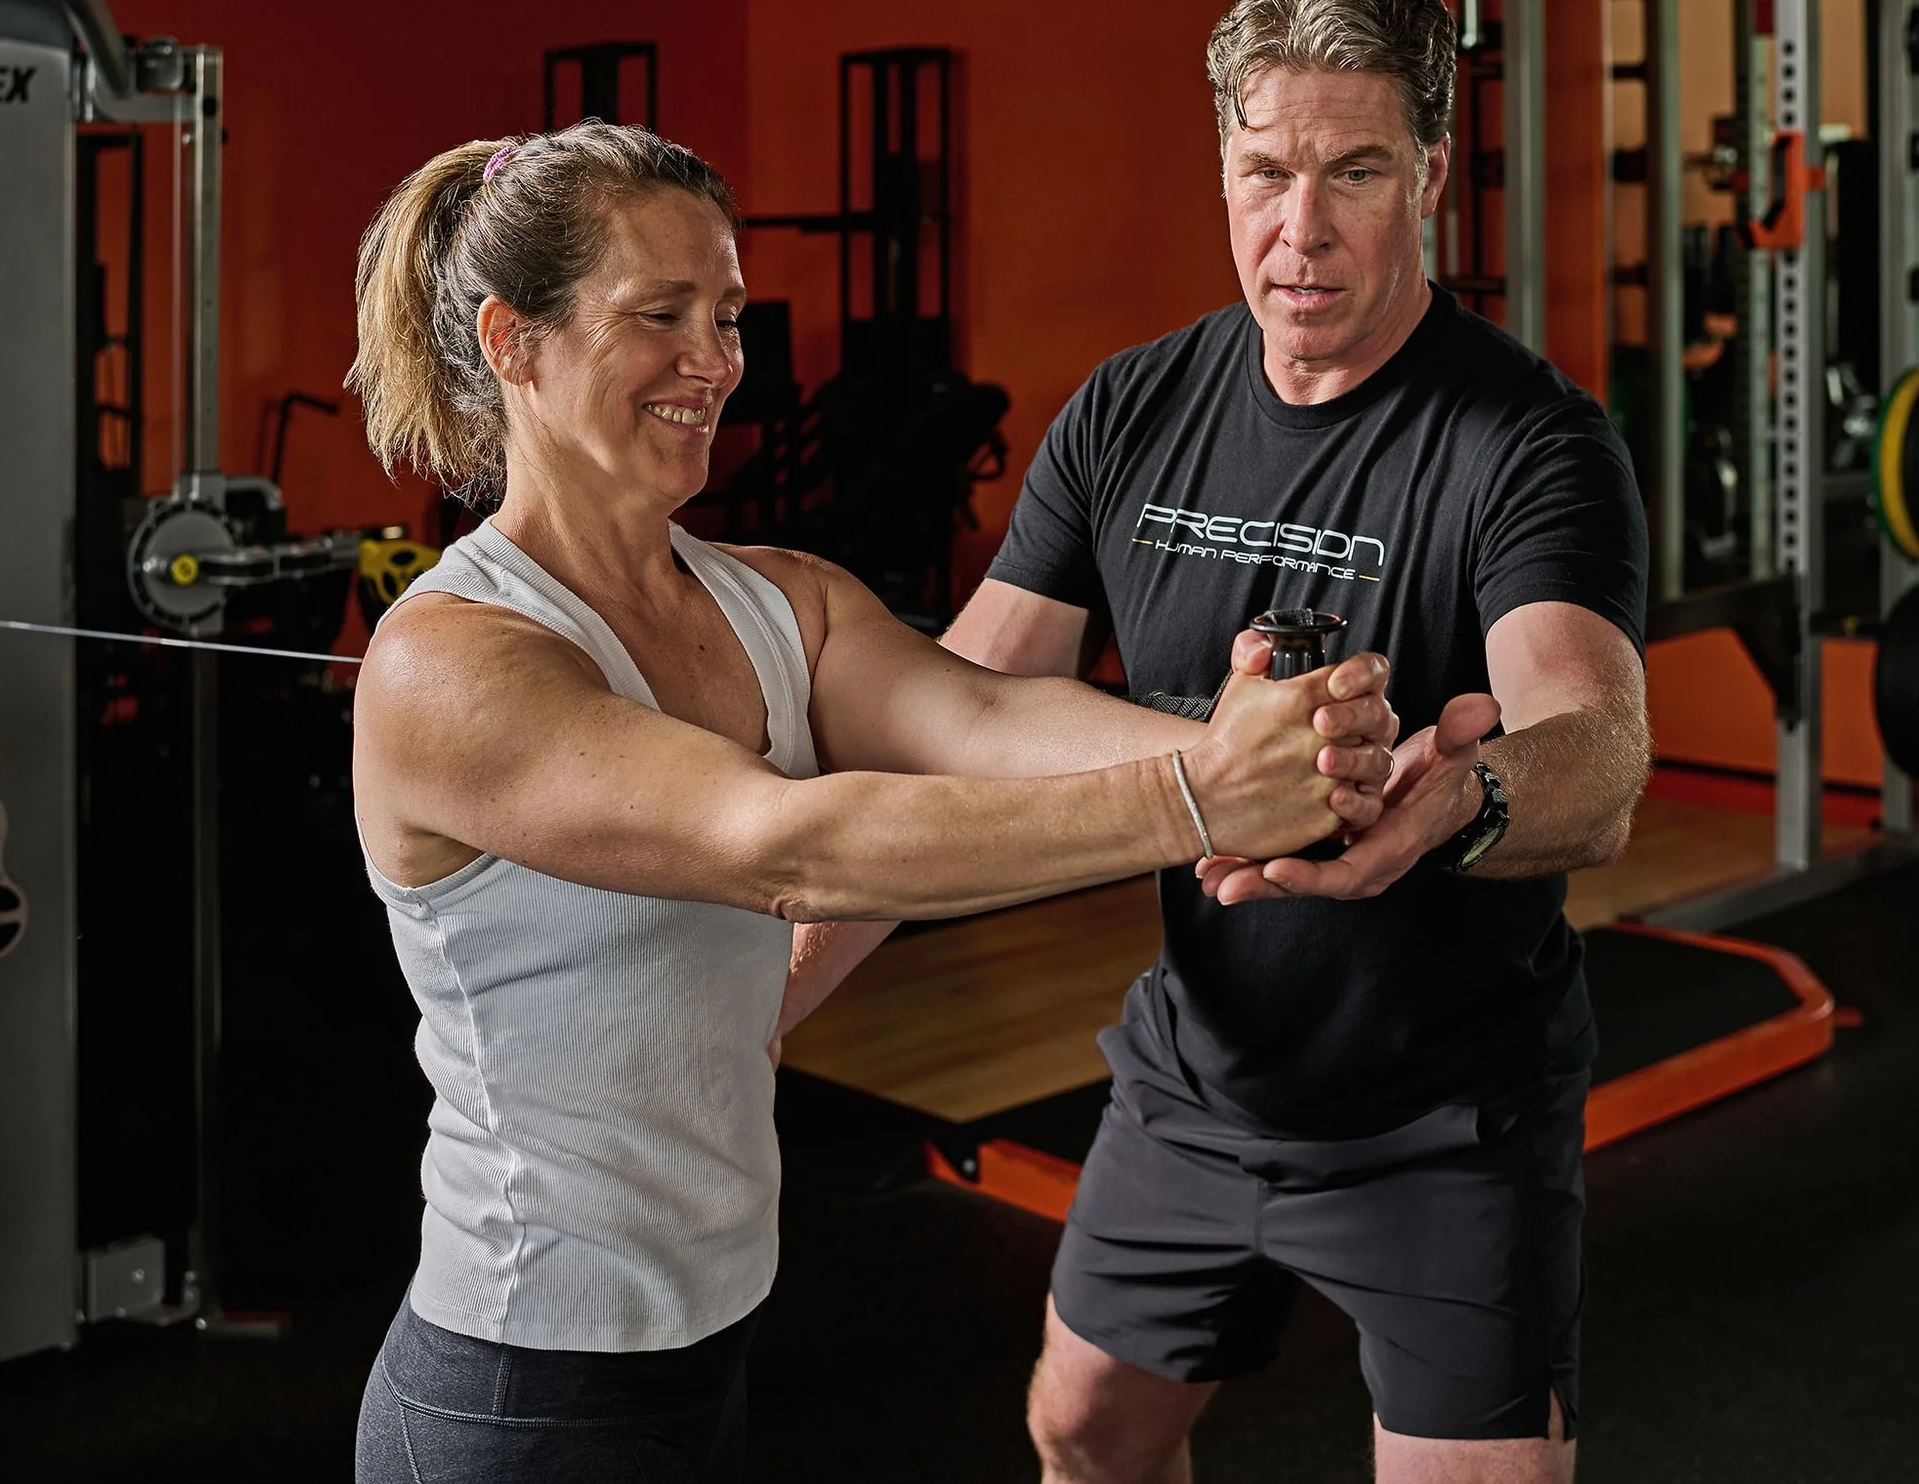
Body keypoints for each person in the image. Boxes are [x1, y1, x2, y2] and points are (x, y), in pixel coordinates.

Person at [340, 122, 1402, 1484]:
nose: (715, 360)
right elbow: (788, 847)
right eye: (659, 315)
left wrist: (1275, 755)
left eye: (726, 316)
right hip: (514, 1388)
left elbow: (986, 723)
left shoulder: (780, 600)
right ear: (513, 341)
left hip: (704, 1352)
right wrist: (1202, 795)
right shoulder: (449, 661)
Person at [786, 0, 1653, 1483]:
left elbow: (1594, 748)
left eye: (1355, 172)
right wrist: (753, 1015)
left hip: (1444, 1115)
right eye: (1265, 173)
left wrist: (1447, 805)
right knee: (1081, 1429)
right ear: (1223, 168)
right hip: (1198, 1079)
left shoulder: (1529, 442)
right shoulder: (1131, 411)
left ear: (1429, 173)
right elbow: (942, 727)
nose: (1299, 229)